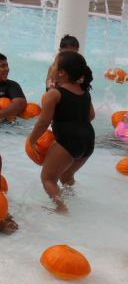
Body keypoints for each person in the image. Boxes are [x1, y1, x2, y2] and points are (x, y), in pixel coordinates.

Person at [29, 51, 95, 212]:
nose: (51, 67)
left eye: (54, 64)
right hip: (88, 140)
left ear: (61, 72)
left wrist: (32, 140)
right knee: (66, 176)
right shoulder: (84, 92)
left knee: (48, 179)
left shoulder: (54, 94)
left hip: (68, 142)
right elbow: (91, 116)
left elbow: (44, 122)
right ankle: (74, 199)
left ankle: (61, 207)